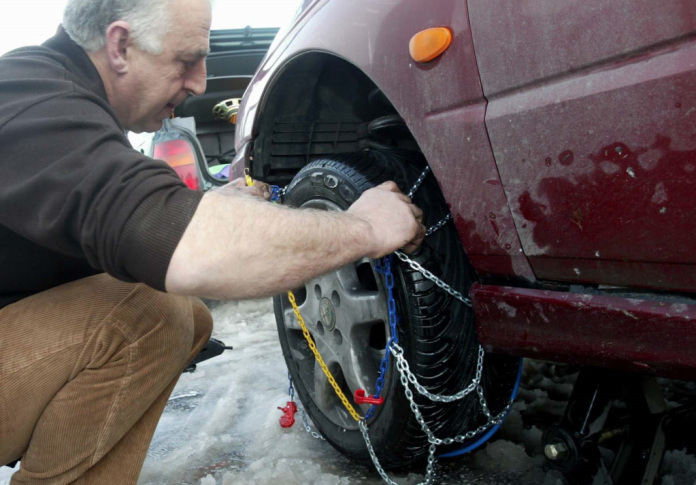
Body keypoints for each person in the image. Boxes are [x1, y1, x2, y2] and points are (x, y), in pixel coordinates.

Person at [0, 0, 425, 483]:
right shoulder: (30, 98)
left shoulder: (64, 99)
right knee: (152, 319)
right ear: (119, 45)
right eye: (187, 59)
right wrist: (365, 228)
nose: (200, 82)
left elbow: (115, 232)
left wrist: (213, 206)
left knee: (183, 317)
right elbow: (184, 249)